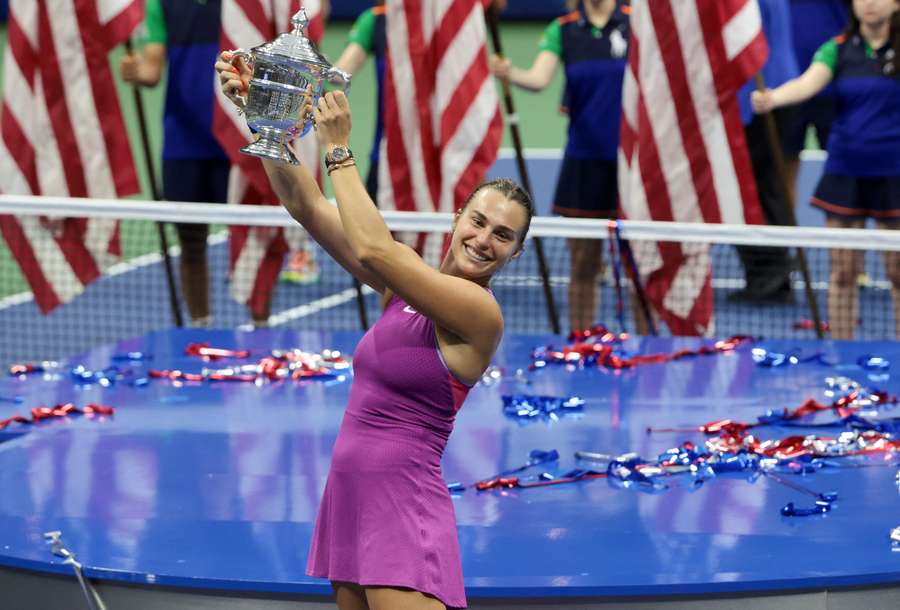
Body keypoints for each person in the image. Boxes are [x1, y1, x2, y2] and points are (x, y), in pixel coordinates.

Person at [217, 53, 533, 610]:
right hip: (352, 499)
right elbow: (307, 206)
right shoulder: (403, 289)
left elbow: (372, 246)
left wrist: (339, 150)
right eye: (479, 221)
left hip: (403, 508)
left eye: (503, 236)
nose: (485, 239)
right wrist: (260, 113)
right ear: (456, 216)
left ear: (515, 253)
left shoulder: (478, 313)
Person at [752, 0, 900, 338]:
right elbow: (807, 83)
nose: (871, 4)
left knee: (898, 273)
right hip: (845, 171)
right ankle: (842, 350)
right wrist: (774, 98)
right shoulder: (837, 49)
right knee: (842, 272)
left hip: (894, 174)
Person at [488, 0, 629, 334]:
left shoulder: (635, 23)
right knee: (585, 265)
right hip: (584, 161)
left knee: (642, 263)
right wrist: (510, 72)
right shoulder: (564, 29)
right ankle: (580, 339)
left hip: (631, 164)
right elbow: (539, 79)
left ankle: (644, 343)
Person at [120, 0, 240, 327]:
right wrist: (138, 72)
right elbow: (153, 68)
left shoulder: (243, 5)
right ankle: (201, 325)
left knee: (252, 236)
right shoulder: (161, 5)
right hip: (183, 142)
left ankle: (261, 327)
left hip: (238, 138)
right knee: (190, 242)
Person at [729, 0, 800, 304]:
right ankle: (770, 273)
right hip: (765, 92)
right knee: (763, 186)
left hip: (761, 96)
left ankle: (771, 271)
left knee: (756, 188)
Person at [785, 0, 848, 203]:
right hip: (785, 91)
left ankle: (844, 232)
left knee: (843, 173)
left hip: (837, 88)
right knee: (783, 170)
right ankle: (784, 231)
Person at [333, 1, 387, 201]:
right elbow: (339, 74)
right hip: (385, 155)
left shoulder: (448, 22)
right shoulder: (376, 19)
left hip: (444, 156)